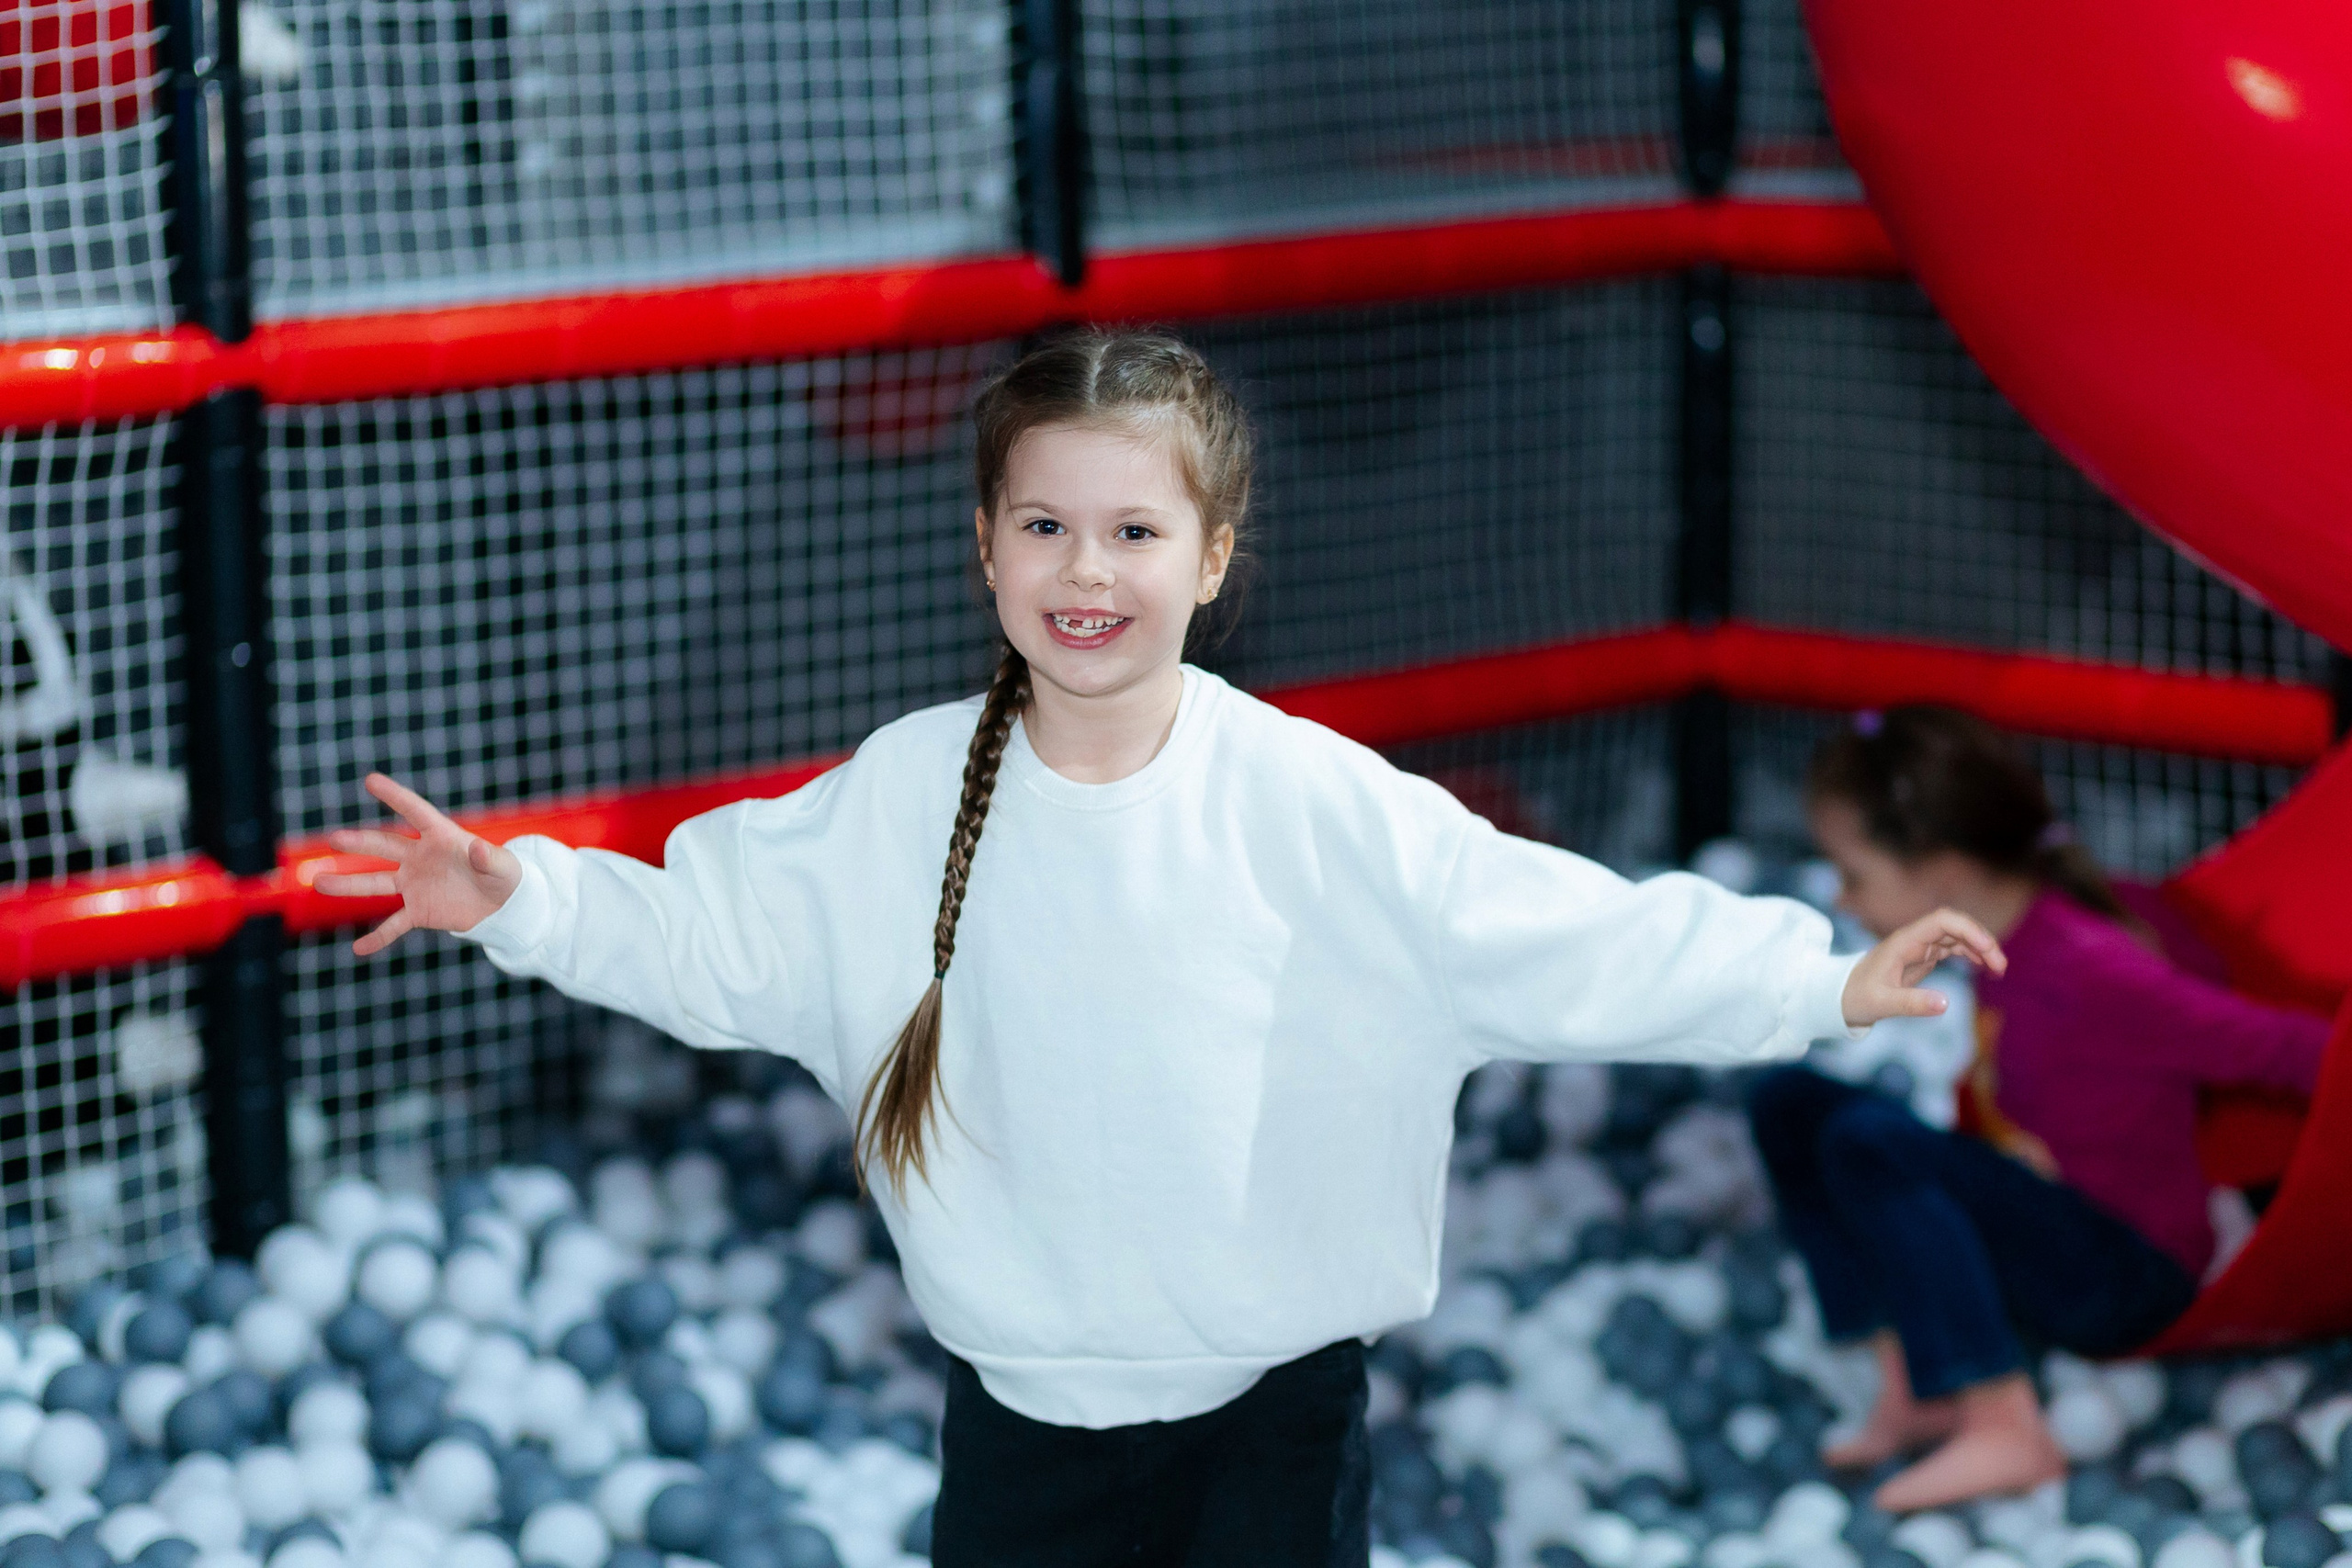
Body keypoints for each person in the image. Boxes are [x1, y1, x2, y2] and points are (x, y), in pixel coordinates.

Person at [318, 330, 1992, 1566]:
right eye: (1044, 528)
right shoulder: (904, 798)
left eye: (1132, 531)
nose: (1086, 568)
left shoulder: (1309, 803)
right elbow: (709, 935)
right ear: (985, 548)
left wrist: (1812, 973)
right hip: (1020, 1417)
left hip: (1270, 1406)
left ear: (1213, 560)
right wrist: (523, 898)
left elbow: (1548, 928)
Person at [1755, 705, 2334, 1513]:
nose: (1844, 900)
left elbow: (2278, 1046)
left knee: (1866, 1140)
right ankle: (1915, 1378)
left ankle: (2001, 1422)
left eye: (1855, 875)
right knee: (1788, 1099)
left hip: (2128, 1274)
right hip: (2051, 1224)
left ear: (1943, 876)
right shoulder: (2007, 942)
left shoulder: (2090, 967)